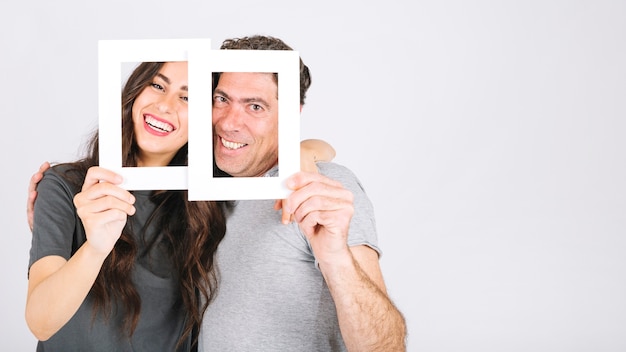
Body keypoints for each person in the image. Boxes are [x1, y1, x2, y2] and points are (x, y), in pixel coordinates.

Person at [25, 58, 334, 351]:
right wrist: (94, 248)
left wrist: (302, 151)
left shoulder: (207, 196)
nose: (164, 105)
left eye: (187, 98)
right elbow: (41, 323)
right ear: (135, 91)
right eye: (158, 86)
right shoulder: (67, 185)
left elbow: (325, 148)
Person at [200, 35, 407, 351]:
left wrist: (335, 257)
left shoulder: (322, 187)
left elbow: (386, 346)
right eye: (222, 99)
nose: (229, 122)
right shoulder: (206, 190)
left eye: (255, 106)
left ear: (290, 114)